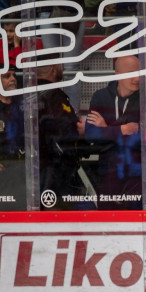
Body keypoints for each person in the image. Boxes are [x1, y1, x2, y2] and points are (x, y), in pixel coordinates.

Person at [84, 55, 142, 210]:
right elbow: (91, 135)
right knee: (107, 220)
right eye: (131, 74)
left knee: (135, 222)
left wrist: (106, 128)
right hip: (107, 171)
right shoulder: (100, 97)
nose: (137, 78)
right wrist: (122, 129)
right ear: (118, 75)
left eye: (139, 73)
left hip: (137, 172)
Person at [37, 58, 88, 211]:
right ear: (53, 69)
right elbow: (66, 131)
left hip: (37, 167)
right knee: (80, 210)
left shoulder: (26, 94)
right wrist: (80, 131)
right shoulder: (55, 96)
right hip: (57, 168)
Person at [0, 65, 25, 210]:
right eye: (7, 76)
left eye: (14, 76)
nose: (13, 79)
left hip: (22, 172)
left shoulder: (24, 106)